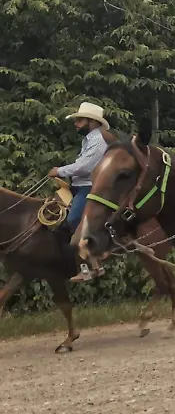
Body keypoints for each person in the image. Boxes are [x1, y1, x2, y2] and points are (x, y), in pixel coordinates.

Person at [48, 102, 110, 282]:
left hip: (88, 187)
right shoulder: (88, 140)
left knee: (73, 220)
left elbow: (84, 167)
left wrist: (59, 171)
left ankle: (93, 266)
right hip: (78, 186)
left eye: (80, 120)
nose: (76, 123)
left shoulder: (98, 141)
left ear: (92, 121)